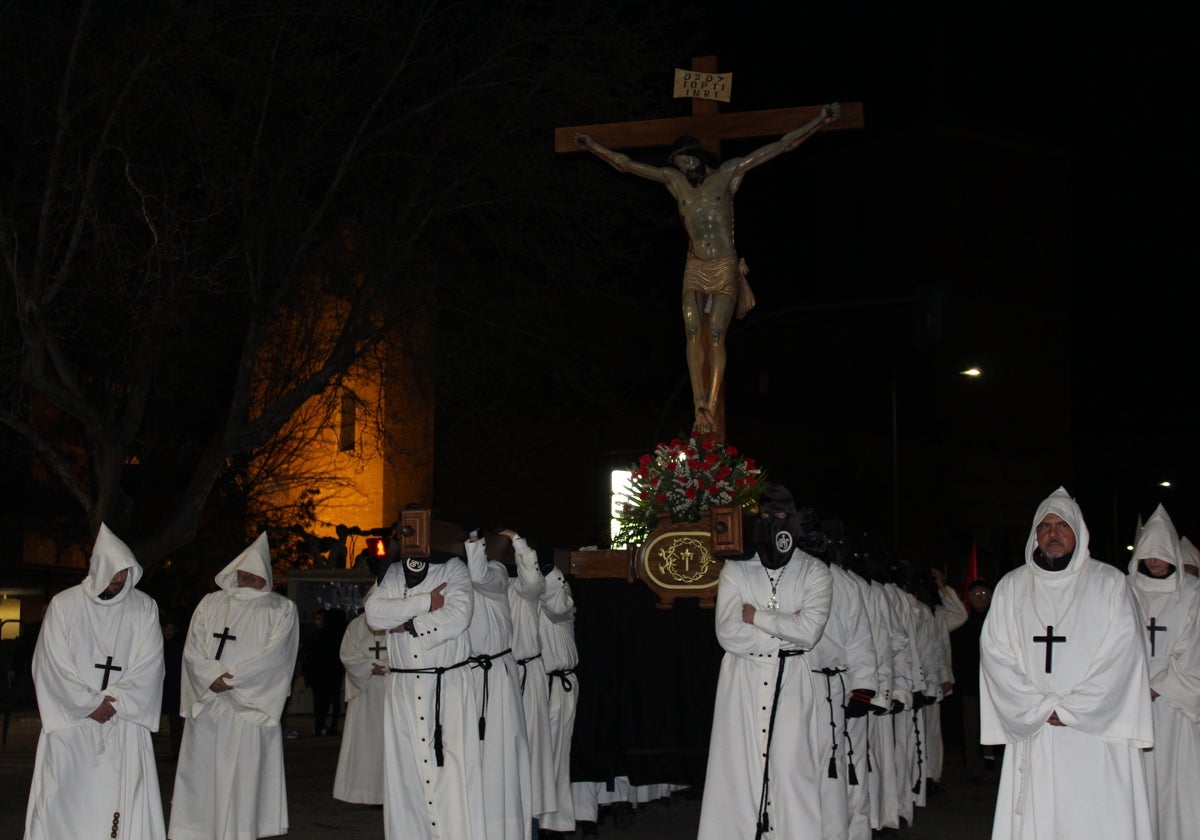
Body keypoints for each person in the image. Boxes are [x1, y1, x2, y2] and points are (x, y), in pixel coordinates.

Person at [574, 104, 841, 434]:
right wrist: (592, 145)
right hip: (696, 265)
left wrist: (819, 120)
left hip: (725, 264)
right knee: (690, 330)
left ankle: (710, 405)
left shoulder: (728, 175)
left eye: (687, 160)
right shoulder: (675, 183)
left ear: (698, 156)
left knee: (715, 333)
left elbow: (779, 146)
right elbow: (627, 165)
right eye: (679, 163)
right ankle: (698, 403)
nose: (684, 167)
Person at [979, 486, 1154, 839]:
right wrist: (1039, 707)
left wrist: (1072, 709)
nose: (1053, 533)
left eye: (1062, 525)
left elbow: (1123, 656)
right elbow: (995, 655)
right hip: (1037, 729)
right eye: (1044, 526)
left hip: (1096, 735)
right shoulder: (1012, 587)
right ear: (1034, 535)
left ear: (1078, 532)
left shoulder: (1109, 584)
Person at [697, 483, 833, 840]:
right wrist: (788, 622)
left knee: (791, 771)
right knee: (737, 770)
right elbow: (728, 634)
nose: (775, 524)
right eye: (767, 517)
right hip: (743, 677)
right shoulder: (737, 570)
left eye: (782, 517)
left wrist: (756, 616)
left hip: (792, 679)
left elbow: (809, 632)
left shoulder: (815, 571)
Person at [23, 523, 166, 840]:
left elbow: (150, 663)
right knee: (66, 803)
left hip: (122, 723)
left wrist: (114, 701)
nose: (120, 579)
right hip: (73, 726)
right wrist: (89, 704)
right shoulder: (65, 605)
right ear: (98, 568)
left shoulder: (144, 608)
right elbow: (49, 663)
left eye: (125, 572)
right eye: (115, 572)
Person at [168, 532, 300, 840]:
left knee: (245, 777)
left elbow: (278, 656)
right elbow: (193, 647)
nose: (250, 577)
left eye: (256, 573)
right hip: (210, 706)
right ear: (236, 570)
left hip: (250, 709)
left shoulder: (280, 609)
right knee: (204, 776)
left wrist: (233, 681)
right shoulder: (211, 603)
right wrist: (209, 676)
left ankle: (243, 831)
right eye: (245, 571)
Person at [363, 520, 485, 840]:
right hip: (403, 689)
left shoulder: (453, 569)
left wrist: (408, 624)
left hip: (447, 687)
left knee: (453, 772)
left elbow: (459, 614)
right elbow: (375, 614)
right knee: (407, 774)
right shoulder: (391, 573)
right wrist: (426, 603)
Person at [1126, 504, 1200, 840]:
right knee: (1135, 782)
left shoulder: (1191, 595)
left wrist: (1156, 686)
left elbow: (1194, 651)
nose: (1153, 557)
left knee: (1175, 786)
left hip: (1173, 709)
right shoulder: (1125, 590)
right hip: (1129, 703)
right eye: (1148, 551)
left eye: (1160, 550)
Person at [466, 530, 533, 840]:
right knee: (473, 753)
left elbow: (480, 576)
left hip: (495, 674)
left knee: (500, 750)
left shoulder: (497, 572)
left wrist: (473, 542)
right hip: (469, 673)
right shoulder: (456, 573)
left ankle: (503, 825)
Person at [533, 541, 579, 837]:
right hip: (541, 683)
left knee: (558, 756)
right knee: (542, 756)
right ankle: (538, 820)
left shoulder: (558, 589)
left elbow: (559, 607)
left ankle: (553, 821)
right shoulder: (524, 592)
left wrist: (548, 572)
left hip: (561, 682)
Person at [333, 610, 388, 806]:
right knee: (365, 743)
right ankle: (363, 791)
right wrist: (369, 666)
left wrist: (388, 665)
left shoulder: (397, 621)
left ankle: (390, 792)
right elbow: (347, 654)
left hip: (391, 692)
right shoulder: (356, 626)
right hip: (366, 693)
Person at [951, 578, 995, 779]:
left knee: (993, 723)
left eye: (984, 594)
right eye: (977, 594)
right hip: (970, 682)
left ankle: (990, 758)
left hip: (993, 682)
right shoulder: (963, 623)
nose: (981, 598)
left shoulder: (996, 621)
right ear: (969, 597)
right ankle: (971, 763)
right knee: (971, 725)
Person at [303, 607, 347, 736]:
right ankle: (329, 726)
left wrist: (307, 674)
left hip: (319, 673)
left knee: (320, 702)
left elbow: (308, 655)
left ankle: (320, 725)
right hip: (333, 672)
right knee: (334, 700)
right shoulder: (339, 635)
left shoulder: (317, 635)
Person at [162, 613, 187, 759]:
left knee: (175, 722)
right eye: (166, 630)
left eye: (170, 630)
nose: (168, 633)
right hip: (161, 686)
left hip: (174, 687)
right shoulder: (158, 643)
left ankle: (177, 751)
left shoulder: (180, 646)